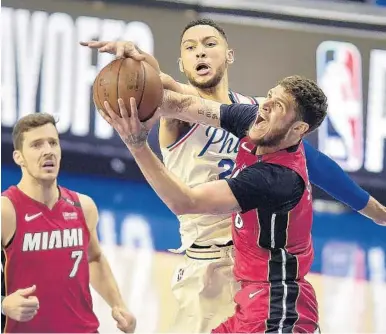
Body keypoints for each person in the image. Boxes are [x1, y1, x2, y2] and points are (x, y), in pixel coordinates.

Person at [82, 18, 386, 333]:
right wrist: (137, 62)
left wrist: (375, 211)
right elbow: (154, 89)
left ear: (230, 55)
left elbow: (316, 162)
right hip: (208, 265)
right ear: (182, 64)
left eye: (209, 44)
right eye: (190, 48)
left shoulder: (259, 114)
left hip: (258, 269)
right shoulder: (180, 112)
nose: (200, 53)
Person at [1, 113, 136, 333]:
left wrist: (118, 304)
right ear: (19, 157)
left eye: (53, 143)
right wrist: (3, 304)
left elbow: (94, 258)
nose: (48, 151)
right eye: (37, 145)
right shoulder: (7, 211)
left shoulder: (83, 206)